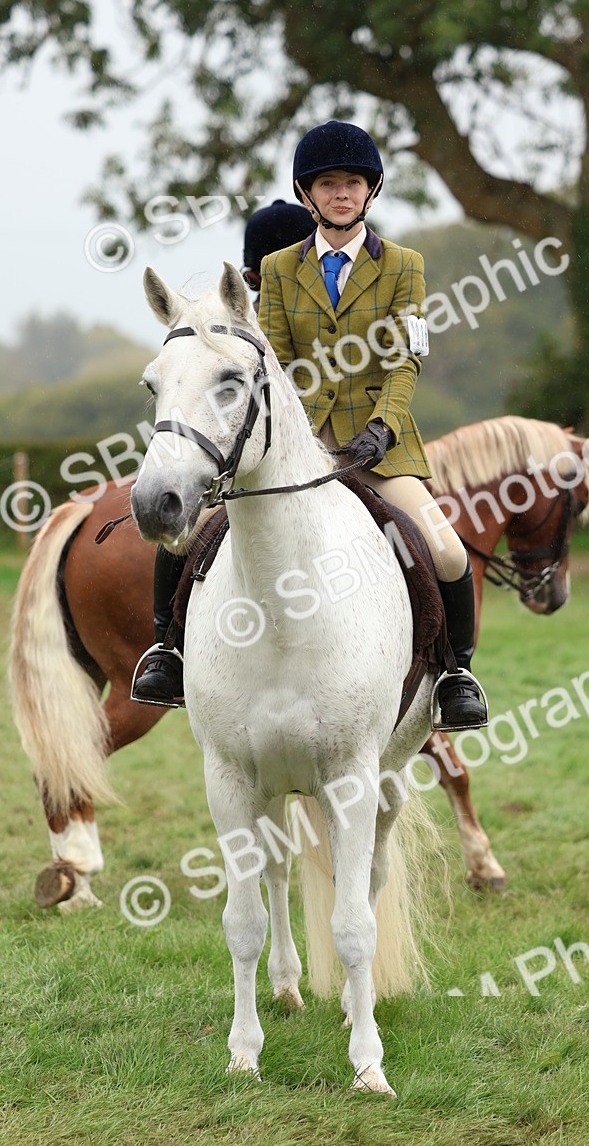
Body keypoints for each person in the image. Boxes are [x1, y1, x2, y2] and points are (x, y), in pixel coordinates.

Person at [258, 120, 487, 730]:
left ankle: (457, 675)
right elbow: (274, 360)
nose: (341, 194)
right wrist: (295, 435)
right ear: (307, 194)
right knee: (203, 529)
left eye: (352, 183)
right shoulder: (278, 269)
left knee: (446, 550)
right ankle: (170, 650)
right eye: (328, 184)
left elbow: (406, 358)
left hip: (379, 446)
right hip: (299, 445)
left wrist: (384, 427)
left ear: (371, 190)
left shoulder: (404, 265)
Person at [132, 199, 314, 706]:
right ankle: (167, 648)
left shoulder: (327, 301)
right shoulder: (235, 322)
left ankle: (449, 668)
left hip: (359, 447)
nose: (273, 280)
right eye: (262, 274)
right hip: (262, 462)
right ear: (250, 276)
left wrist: (375, 431)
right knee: (182, 539)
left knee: (436, 545)